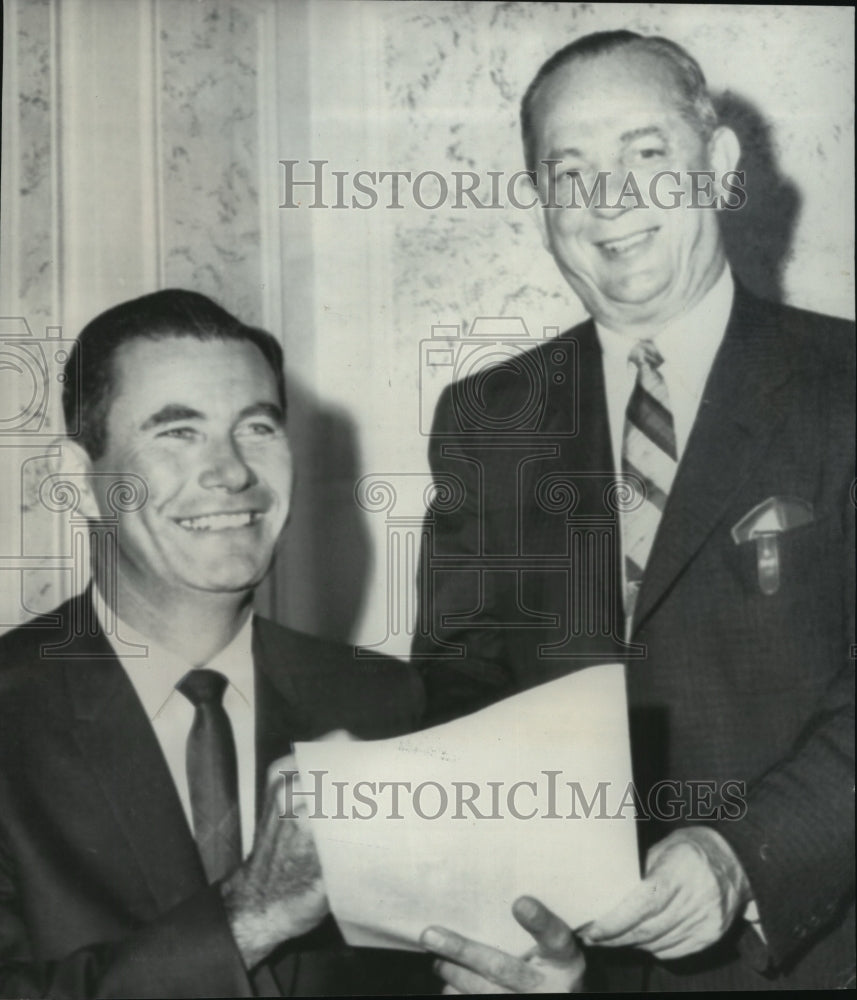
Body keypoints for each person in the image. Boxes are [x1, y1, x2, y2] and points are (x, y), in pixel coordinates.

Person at [413, 30, 855, 991]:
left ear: (720, 167)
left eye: (645, 154)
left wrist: (747, 854)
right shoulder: (487, 418)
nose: (607, 199)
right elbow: (458, 690)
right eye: (567, 170)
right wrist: (496, 914)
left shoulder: (845, 383)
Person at [0, 289, 436, 997]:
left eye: (257, 428)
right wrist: (247, 917)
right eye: (177, 432)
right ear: (79, 481)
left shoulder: (385, 701)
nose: (232, 472)